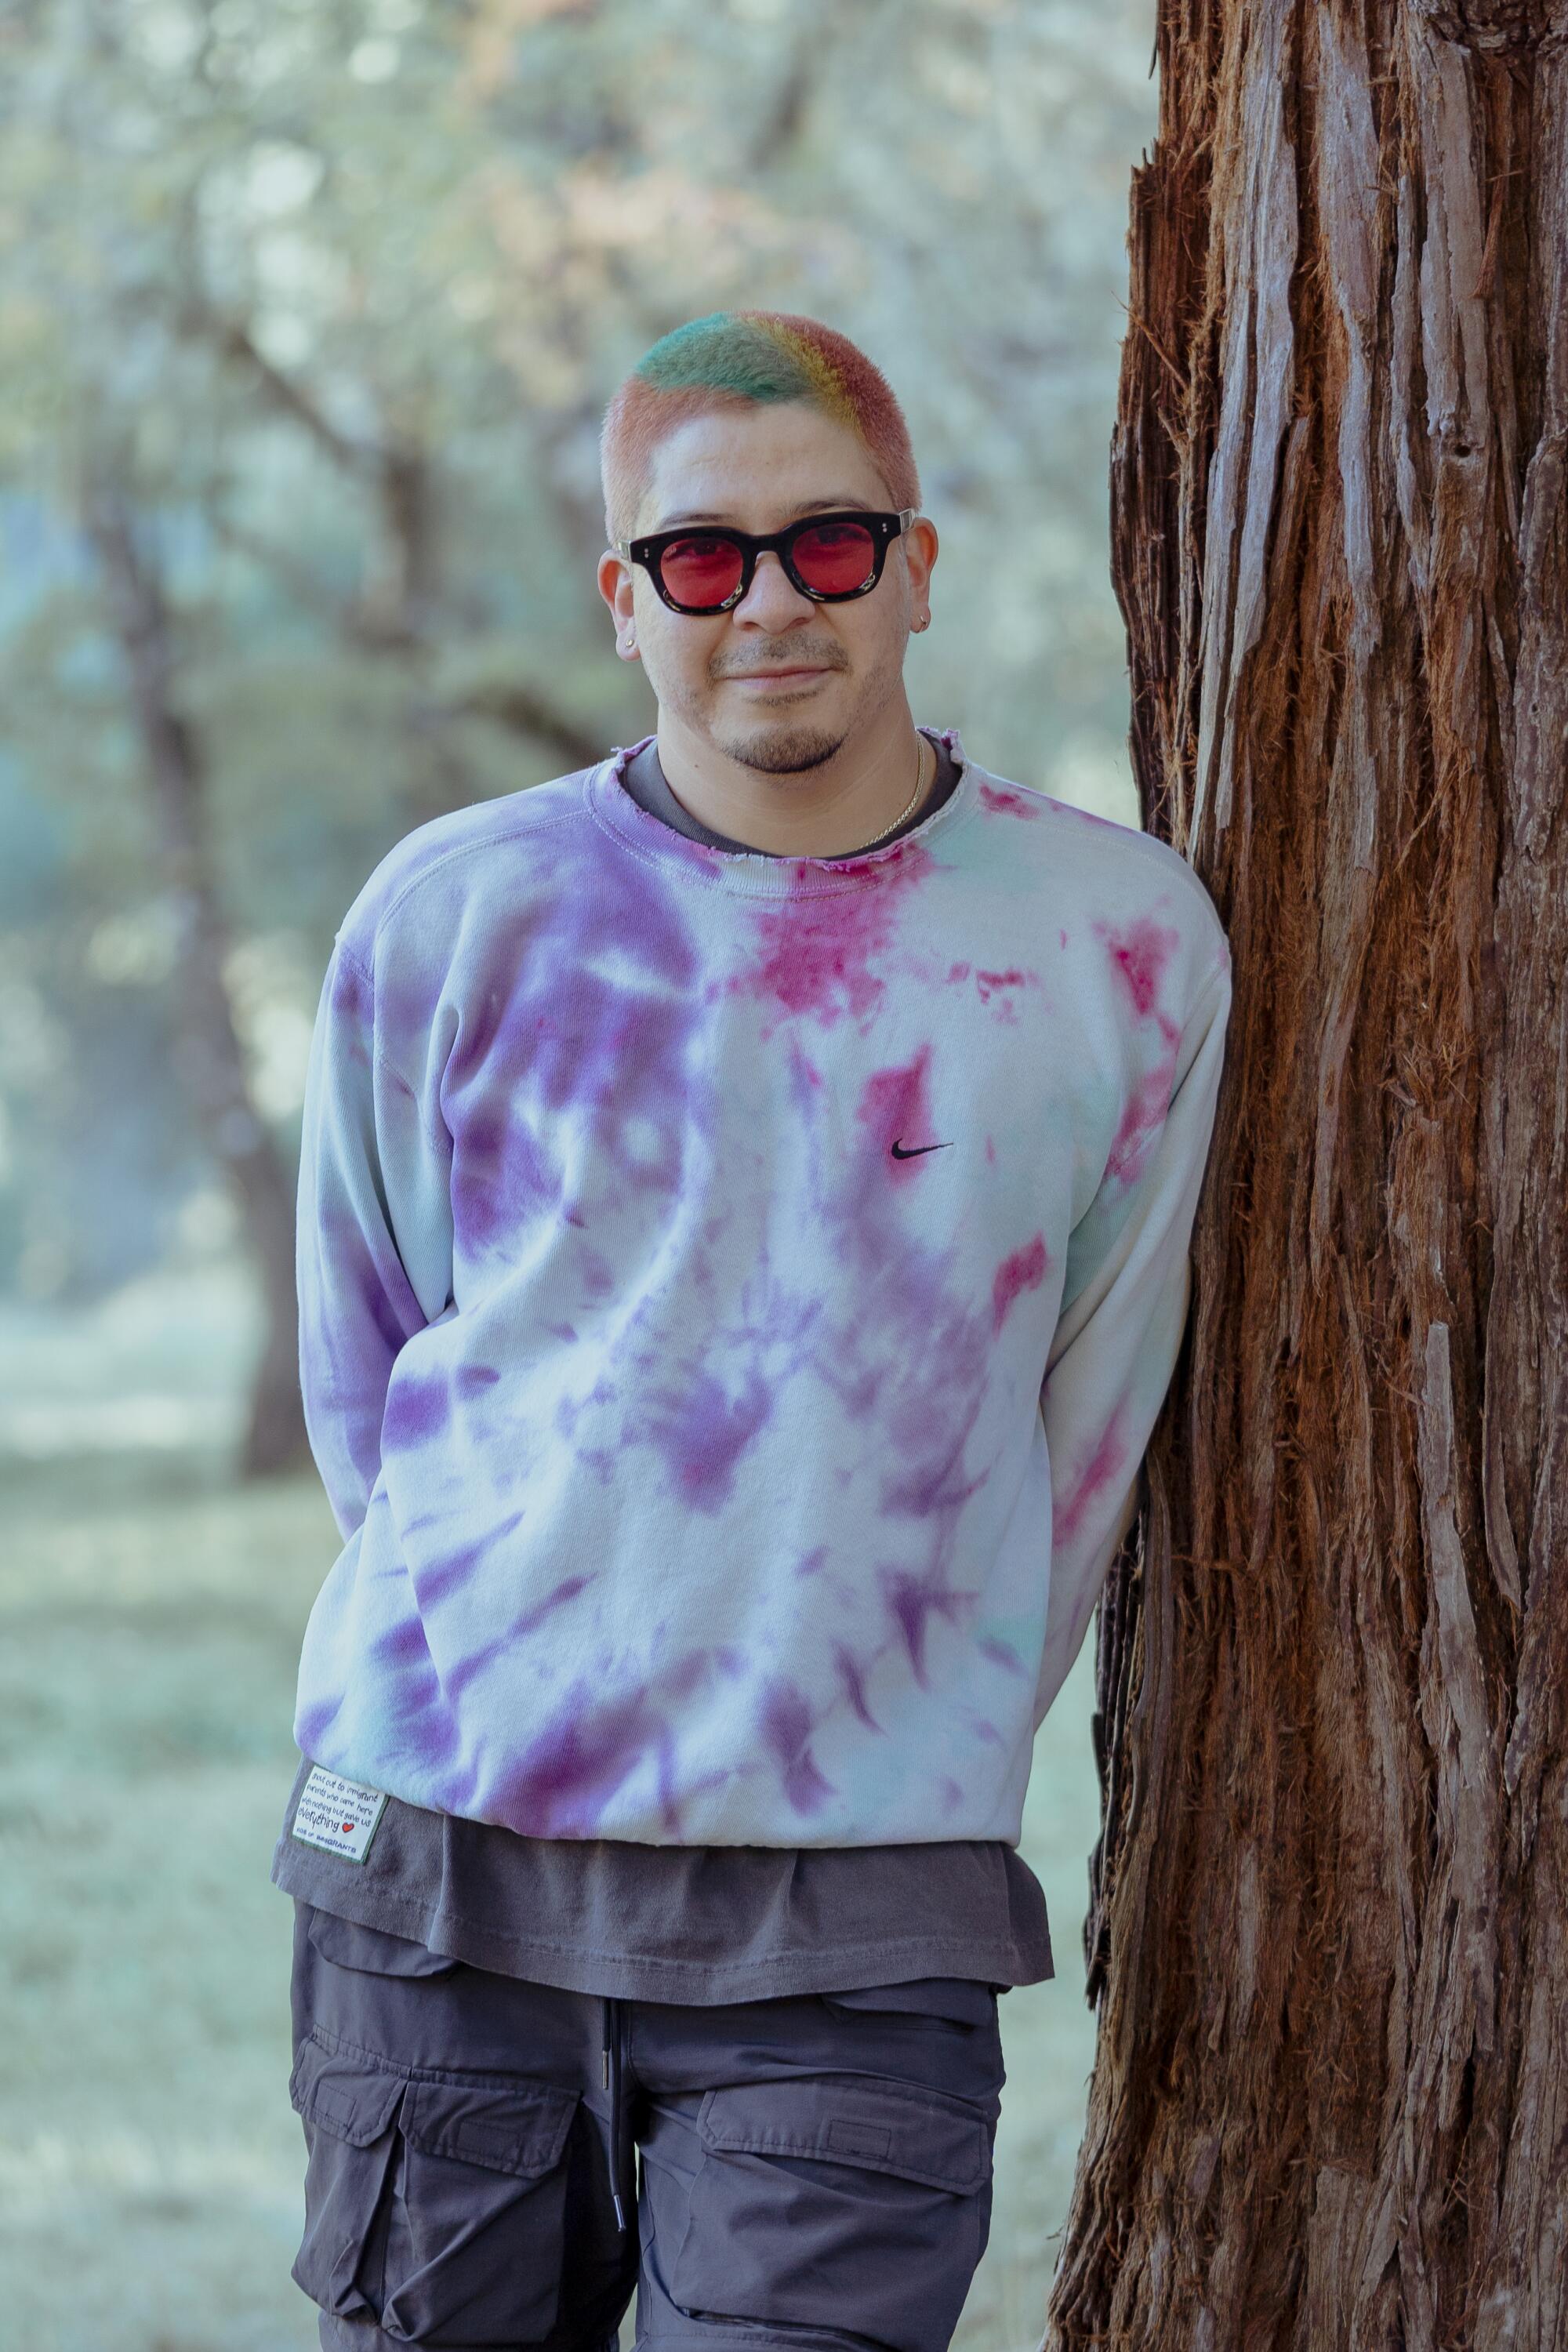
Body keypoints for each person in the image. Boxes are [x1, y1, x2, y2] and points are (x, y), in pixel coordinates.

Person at [274, 309, 1232, 2352]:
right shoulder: (457, 914)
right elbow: (374, 1373)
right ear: (627, 601)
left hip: (862, 1887)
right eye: (704, 558)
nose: (774, 600)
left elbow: (1094, 1417)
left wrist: (888, 1710)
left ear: (919, 562)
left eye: (832, 542)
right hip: (441, 1864)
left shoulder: (1118, 941)